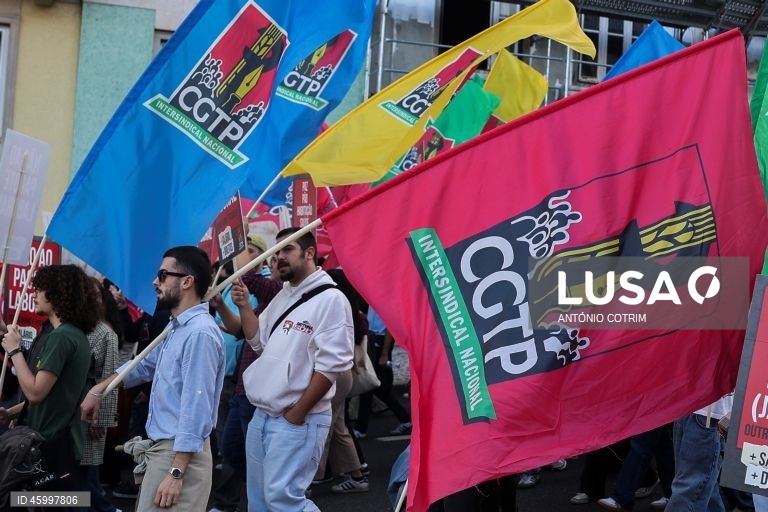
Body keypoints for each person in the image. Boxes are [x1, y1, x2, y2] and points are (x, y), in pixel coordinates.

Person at [81, 246, 225, 511]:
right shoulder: (176, 326)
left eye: (162, 274)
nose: (154, 282)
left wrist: (176, 473)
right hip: (166, 452)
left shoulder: (199, 334)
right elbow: (143, 366)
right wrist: (100, 389)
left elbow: (196, 408)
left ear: (187, 281)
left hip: (179, 456)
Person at [238, 227, 354, 511]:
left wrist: (298, 413)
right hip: (264, 415)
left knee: (284, 501)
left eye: (287, 250)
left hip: (297, 420)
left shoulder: (332, 300)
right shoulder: (284, 294)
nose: (278, 258)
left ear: (310, 253)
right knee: (260, 502)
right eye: (276, 252)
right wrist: (242, 305)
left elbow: (332, 366)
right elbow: (258, 340)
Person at [0, 265, 98, 498]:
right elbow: (57, 394)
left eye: (40, 288)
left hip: (48, 447)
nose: (34, 294)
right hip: (56, 445)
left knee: (29, 503)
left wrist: (14, 351)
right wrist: (13, 412)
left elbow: (35, 392)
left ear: (58, 293)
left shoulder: (62, 336)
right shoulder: (73, 334)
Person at [81, 278, 121, 512]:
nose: (93, 300)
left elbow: (110, 381)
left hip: (89, 418)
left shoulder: (106, 334)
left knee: (86, 480)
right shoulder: (67, 328)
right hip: (65, 421)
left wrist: (101, 421)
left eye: (97, 295)